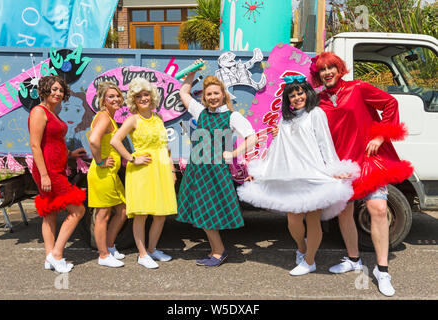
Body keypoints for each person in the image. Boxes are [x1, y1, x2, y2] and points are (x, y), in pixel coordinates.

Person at [309, 52, 414, 296]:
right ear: (318, 75)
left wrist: (380, 136)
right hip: (341, 165)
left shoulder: (358, 88)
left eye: (331, 68)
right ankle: (353, 260)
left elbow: (390, 103)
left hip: (368, 160)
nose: (327, 73)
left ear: (339, 69)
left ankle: (382, 270)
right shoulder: (318, 99)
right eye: (322, 70)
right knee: (344, 211)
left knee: (377, 209)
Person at [237, 75, 359, 276]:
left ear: (307, 93)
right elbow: (277, 149)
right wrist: (261, 172)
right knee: (293, 221)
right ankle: (302, 250)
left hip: (313, 175)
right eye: (292, 95)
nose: (296, 97)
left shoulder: (316, 113)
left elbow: (325, 143)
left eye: (300, 92)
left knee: (313, 220)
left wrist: (334, 169)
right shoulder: (285, 120)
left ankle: (310, 261)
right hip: (291, 177)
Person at [176, 60, 257, 267]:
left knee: (209, 212)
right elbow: (184, 93)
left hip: (215, 172)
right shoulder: (199, 112)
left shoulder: (232, 116)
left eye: (216, 93)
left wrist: (233, 153)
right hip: (197, 170)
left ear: (223, 95)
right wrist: (192, 72)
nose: (212, 97)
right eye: (209, 94)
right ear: (205, 97)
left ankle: (219, 251)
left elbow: (252, 137)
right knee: (203, 212)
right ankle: (216, 250)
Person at [110, 77, 177, 269]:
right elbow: (115, 141)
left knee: (160, 214)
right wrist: (132, 158)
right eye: (138, 96)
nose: (143, 98)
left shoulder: (158, 118)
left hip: (161, 169)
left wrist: (171, 170)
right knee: (141, 214)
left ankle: (153, 249)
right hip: (141, 170)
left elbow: (165, 147)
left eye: (146, 94)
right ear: (133, 100)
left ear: (152, 96)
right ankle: (142, 254)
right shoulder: (133, 120)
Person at [28, 75, 86, 273]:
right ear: (44, 90)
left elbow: (52, 144)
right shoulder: (39, 111)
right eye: (53, 89)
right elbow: (35, 146)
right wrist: (44, 175)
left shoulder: (53, 113)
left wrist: (70, 154)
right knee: (78, 210)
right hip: (49, 172)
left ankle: (49, 257)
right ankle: (57, 254)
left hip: (56, 168)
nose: (57, 93)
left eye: (60, 90)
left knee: (50, 213)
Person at [87, 82, 128, 268]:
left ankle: (110, 247)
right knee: (103, 214)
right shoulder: (104, 117)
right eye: (111, 96)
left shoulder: (109, 117)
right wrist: (100, 160)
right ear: (103, 100)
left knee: (123, 210)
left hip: (110, 175)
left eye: (118, 95)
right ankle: (103, 255)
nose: (116, 99)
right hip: (102, 174)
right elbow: (94, 140)